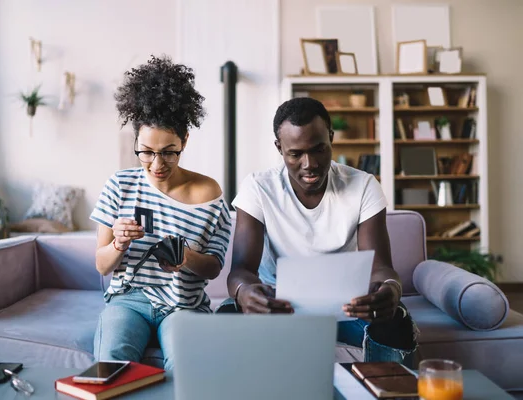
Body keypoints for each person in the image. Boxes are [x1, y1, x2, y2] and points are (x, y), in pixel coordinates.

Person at [221, 97, 417, 366]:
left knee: (395, 321)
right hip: (279, 306)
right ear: (280, 148)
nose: (309, 163)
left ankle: (382, 392)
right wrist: (245, 293)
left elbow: (381, 267)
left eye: (318, 150)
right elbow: (241, 269)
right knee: (226, 319)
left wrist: (391, 289)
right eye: (295, 153)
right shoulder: (258, 187)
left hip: (348, 306)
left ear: (331, 139)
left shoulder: (363, 185)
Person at [90, 55, 232, 370]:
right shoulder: (119, 185)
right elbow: (102, 265)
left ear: (185, 140)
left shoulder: (210, 195)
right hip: (129, 302)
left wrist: (186, 257)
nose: (157, 164)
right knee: (110, 366)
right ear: (136, 142)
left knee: (187, 370)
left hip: (184, 306)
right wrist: (118, 244)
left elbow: (213, 268)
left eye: (169, 153)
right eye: (146, 152)